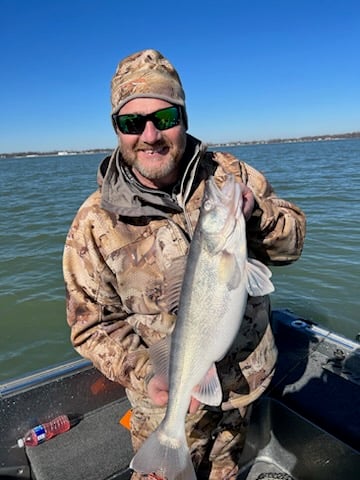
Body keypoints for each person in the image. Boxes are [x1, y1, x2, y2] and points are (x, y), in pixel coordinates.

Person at [63, 49, 306, 479]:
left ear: (185, 117)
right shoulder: (94, 223)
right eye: (132, 122)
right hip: (167, 406)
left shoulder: (231, 177)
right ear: (117, 130)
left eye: (166, 116)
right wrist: (147, 374)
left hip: (244, 391)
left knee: (225, 472)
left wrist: (257, 216)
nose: (151, 135)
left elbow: (291, 246)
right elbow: (92, 326)